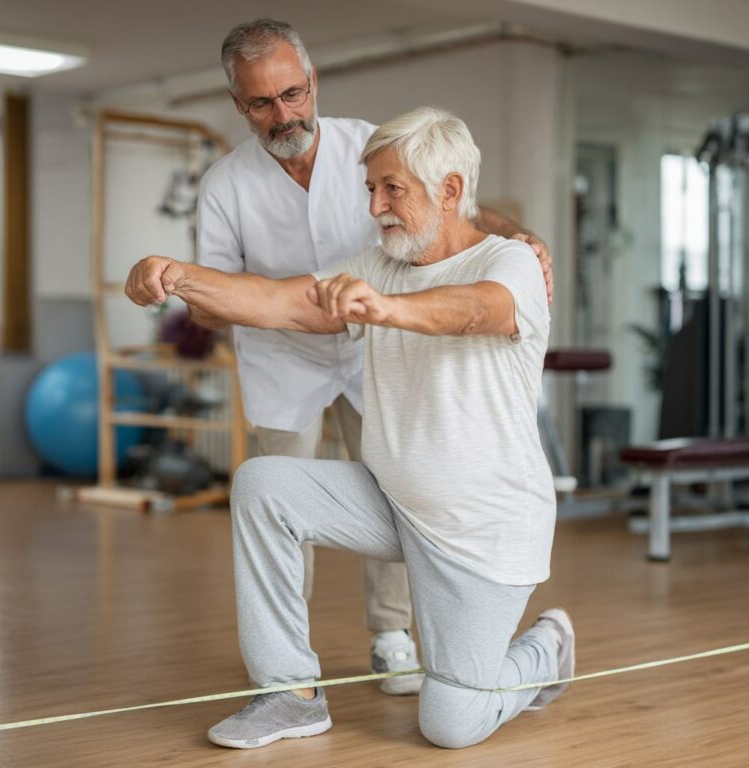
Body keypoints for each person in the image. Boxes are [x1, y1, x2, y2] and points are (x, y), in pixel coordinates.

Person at [126, 105, 573, 751]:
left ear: (449, 190)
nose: (375, 207)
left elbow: (478, 311)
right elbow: (278, 301)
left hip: (482, 535)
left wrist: (387, 309)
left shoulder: (511, 265)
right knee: (264, 484)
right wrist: (177, 275)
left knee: (449, 725)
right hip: (397, 508)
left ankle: (545, 648)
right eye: (371, 189)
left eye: (393, 189)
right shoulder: (379, 265)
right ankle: (291, 693)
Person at [192, 18, 554, 695]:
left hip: (376, 354)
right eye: (263, 103)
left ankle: (392, 637)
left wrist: (522, 238)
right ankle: (289, 666)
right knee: (277, 498)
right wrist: (194, 287)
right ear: (240, 105)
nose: (284, 114)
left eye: (293, 94)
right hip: (284, 355)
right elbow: (220, 296)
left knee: (396, 484)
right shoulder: (225, 186)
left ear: (313, 83)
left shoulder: (369, 148)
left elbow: (463, 211)